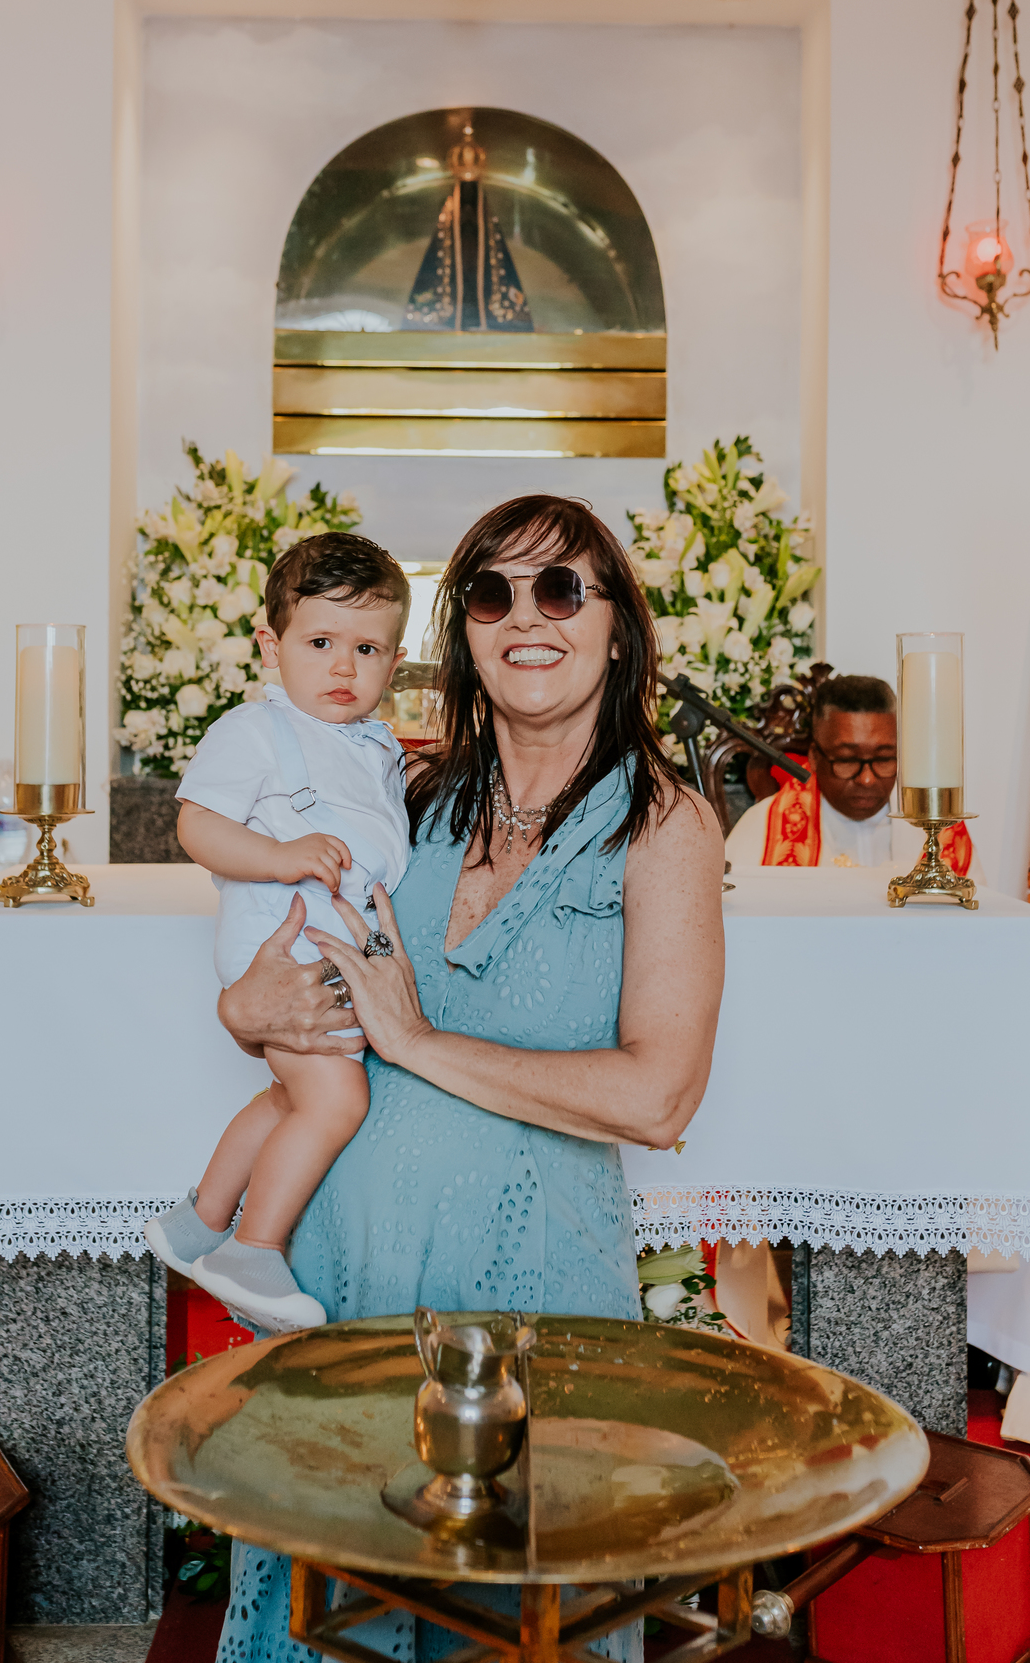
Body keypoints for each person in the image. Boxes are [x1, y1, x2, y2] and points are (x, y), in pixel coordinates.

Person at [212, 495, 725, 1663]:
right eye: (492, 593)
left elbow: (661, 1097)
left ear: (617, 625)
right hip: (348, 1286)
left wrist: (422, 1042)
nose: (526, 617)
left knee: (515, 1616)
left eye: (563, 589)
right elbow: (292, 975)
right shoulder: (403, 798)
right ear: (464, 631)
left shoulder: (666, 823)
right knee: (327, 1614)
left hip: (533, 1305)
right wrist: (244, 1011)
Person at [143, 532, 412, 1332]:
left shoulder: (375, 747)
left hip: (332, 953)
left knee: (285, 1097)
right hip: (284, 952)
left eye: (367, 649)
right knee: (336, 1102)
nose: (343, 668)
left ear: (394, 664)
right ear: (272, 644)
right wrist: (278, 854)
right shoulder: (255, 732)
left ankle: (196, 1220)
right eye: (321, 642)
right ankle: (252, 1246)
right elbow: (197, 826)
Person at [723, 673, 981, 876]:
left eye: (883, 758)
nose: (867, 779)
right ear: (814, 756)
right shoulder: (762, 828)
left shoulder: (939, 828)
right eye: (847, 760)